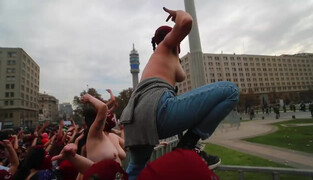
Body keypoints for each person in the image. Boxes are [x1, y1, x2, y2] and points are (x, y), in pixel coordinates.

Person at [120, 7, 239, 179]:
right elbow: (186, 22)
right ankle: (189, 145)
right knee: (230, 91)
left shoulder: (163, 58)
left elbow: (180, 74)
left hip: (134, 120)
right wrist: (178, 14)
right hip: (157, 109)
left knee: (135, 170)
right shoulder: (165, 47)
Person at [81, 90, 125, 165]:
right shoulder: (94, 134)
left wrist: (121, 130)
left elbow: (126, 145)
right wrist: (88, 97)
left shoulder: (111, 136)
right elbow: (104, 107)